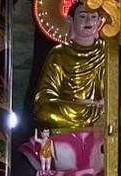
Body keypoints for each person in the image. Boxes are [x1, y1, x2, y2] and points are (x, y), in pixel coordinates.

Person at [32, 0, 105, 133]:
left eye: (93, 17)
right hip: (73, 110)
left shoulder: (106, 53)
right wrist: (82, 105)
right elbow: (43, 97)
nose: (88, 21)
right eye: (82, 16)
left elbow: (113, 93)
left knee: (114, 111)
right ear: (70, 20)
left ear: (100, 21)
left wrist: (99, 104)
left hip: (99, 111)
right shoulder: (58, 53)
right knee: (45, 111)